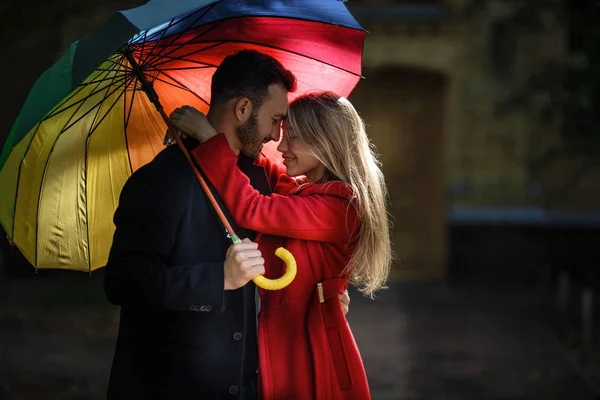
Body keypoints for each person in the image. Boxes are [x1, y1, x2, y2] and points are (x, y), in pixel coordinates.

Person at [103, 50, 350, 400]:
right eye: (276, 119)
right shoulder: (164, 179)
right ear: (243, 109)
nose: (277, 136)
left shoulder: (261, 180)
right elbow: (123, 282)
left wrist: (324, 292)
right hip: (170, 389)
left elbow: (300, 237)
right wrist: (218, 279)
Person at [170, 91, 392, 399]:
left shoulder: (339, 206)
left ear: (325, 142)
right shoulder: (304, 191)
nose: (281, 146)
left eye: (294, 138)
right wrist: (223, 137)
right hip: (291, 344)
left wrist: (209, 139)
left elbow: (254, 208)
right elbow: (264, 169)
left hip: (313, 352)